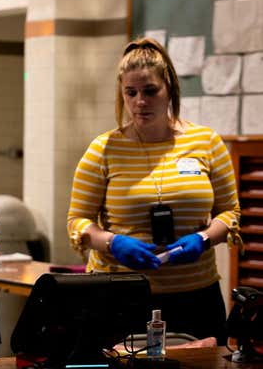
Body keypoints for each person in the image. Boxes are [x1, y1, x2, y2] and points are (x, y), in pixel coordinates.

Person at [67, 37, 241, 344]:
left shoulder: (206, 142)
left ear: (169, 88)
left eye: (150, 91)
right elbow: (77, 222)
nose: (140, 102)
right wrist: (112, 242)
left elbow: (230, 213)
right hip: (122, 293)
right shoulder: (104, 148)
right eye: (130, 93)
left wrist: (203, 238)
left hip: (194, 294)